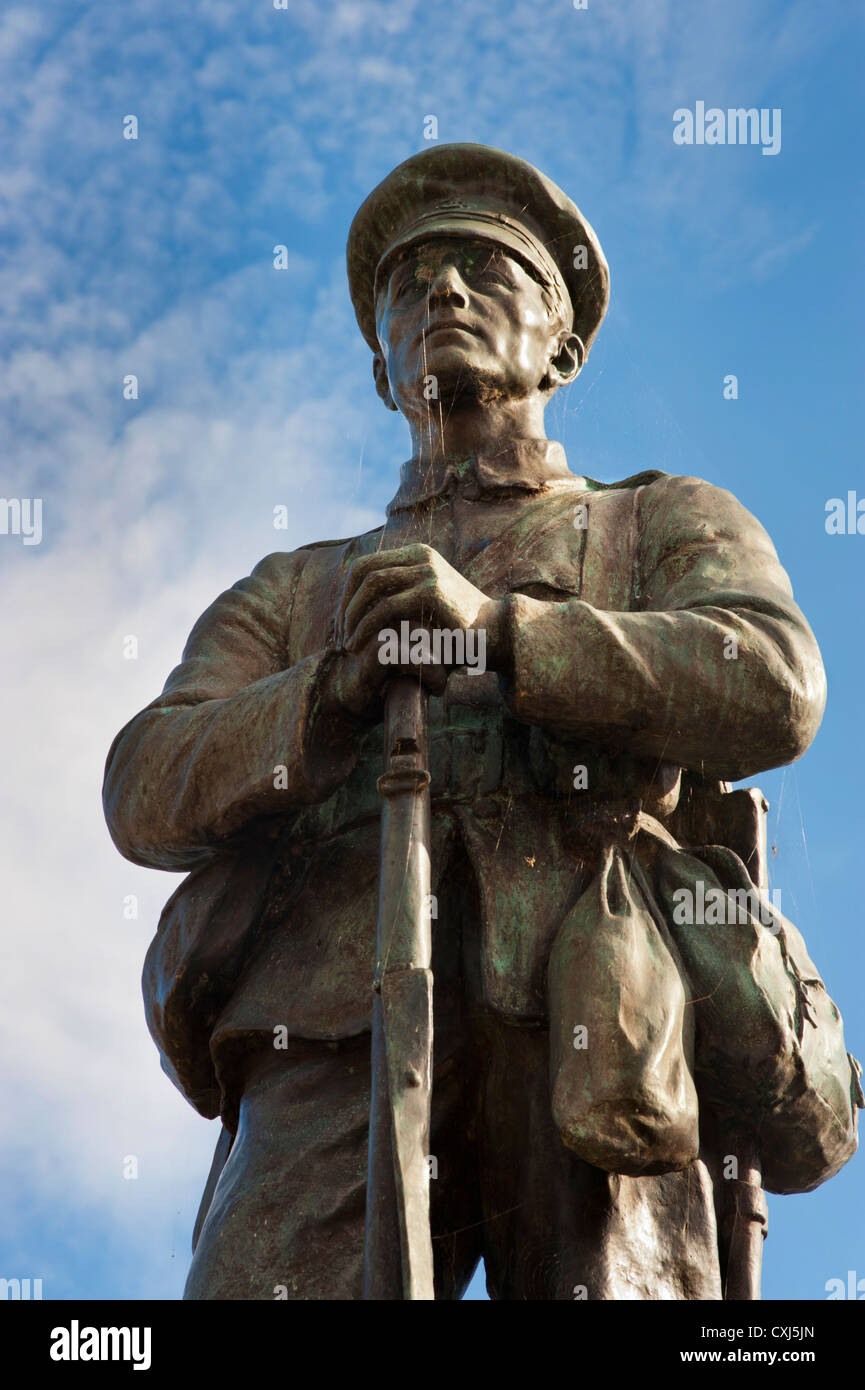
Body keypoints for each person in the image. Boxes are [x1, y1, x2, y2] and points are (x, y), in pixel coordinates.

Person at [103, 144, 861, 1300]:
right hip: (328, 1022)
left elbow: (770, 681)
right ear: (380, 369)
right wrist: (331, 690)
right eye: (411, 285)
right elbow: (146, 784)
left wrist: (506, 636)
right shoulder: (296, 591)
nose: (441, 295)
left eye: (482, 270)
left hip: (596, 1002)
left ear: (558, 341)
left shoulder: (653, 523)